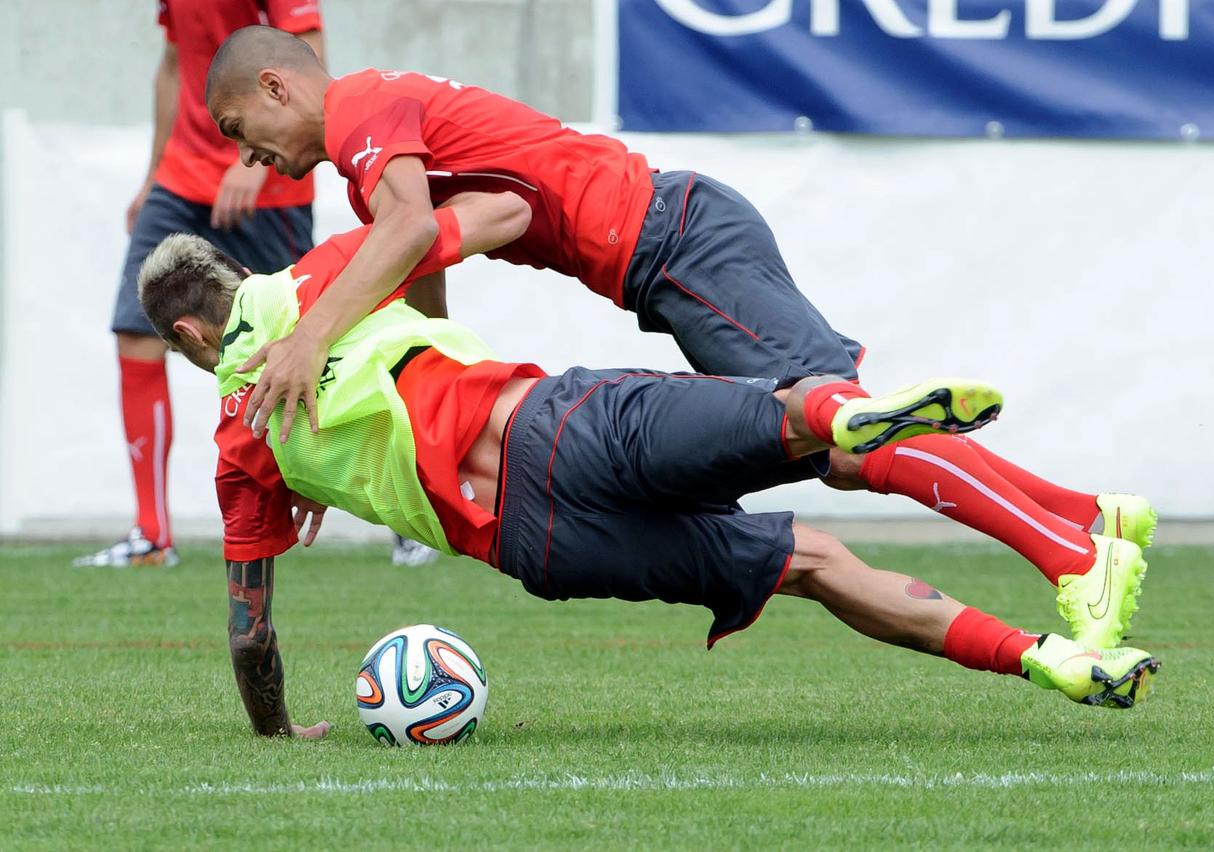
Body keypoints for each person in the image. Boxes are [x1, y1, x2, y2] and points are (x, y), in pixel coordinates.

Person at [201, 27, 1156, 651]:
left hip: (675, 239)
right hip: (673, 247)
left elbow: (409, 232)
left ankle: (1072, 558)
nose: (250, 157)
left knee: (844, 443)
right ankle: (1093, 517)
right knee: (846, 436)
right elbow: (428, 247)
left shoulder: (365, 112)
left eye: (243, 128)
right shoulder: (377, 149)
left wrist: (305, 341)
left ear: (278, 84)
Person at [134, 224, 1159, 739]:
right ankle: (838, 415)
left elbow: (250, 628)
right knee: (790, 425)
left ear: (187, 335)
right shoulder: (325, 276)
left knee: (808, 561)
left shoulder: (242, 445)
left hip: (536, 546)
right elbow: (457, 215)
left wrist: (276, 732)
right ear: (230, 277)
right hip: (554, 427)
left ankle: (1043, 662)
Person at [75, 4, 323, 568]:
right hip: (180, 176)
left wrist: (255, 163)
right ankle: (152, 534)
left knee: (316, 332)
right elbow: (172, 65)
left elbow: (308, 56)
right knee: (136, 332)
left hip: (266, 181)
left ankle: (394, 510)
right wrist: (152, 175)